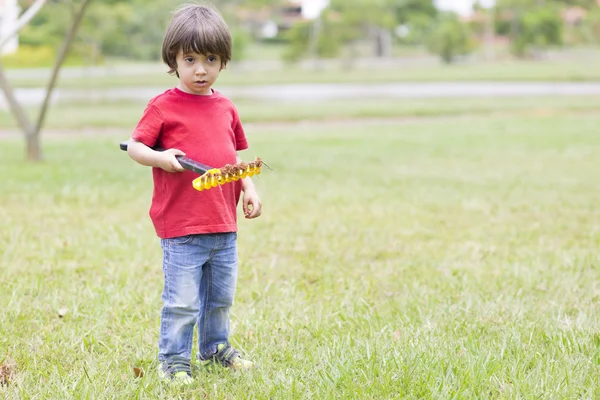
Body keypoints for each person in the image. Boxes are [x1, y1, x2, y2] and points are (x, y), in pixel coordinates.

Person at [127, 3, 262, 384]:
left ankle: (215, 350)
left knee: (220, 299)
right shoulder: (163, 106)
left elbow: (231, 157)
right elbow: (136, 147)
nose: (201, 69)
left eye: (211, 58)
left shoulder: (225, 107)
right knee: (183, 302)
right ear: (174, 59)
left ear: (223, 61)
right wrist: (161, 157)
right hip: (183, 227)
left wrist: (248, 186)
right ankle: (173, 361)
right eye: (190, 59)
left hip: (223, 224)